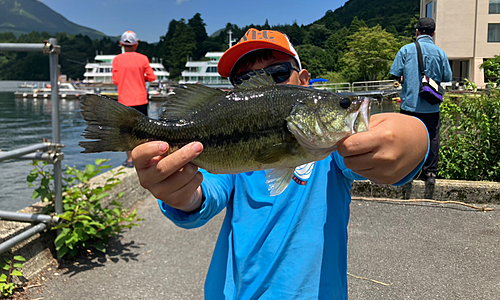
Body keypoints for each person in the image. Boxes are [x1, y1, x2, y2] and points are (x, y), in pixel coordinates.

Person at [132, 28, 429, 299]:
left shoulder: (332, 152)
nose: (265, 86)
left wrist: (413, 139)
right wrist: (180, 194)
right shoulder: (233, 164)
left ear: (304, 82)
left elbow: (399, 143)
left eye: (278, 72)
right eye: (244, 80)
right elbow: (205, 194)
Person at [390, 18, 452, 185]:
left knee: (407, 138)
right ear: (433, 33)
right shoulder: (440, 52)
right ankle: (430, 173)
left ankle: (408, 171)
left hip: (409, 104)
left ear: (417, 31)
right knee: (432, 137)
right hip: (431, 104)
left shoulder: (405, 50)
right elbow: (447, 77)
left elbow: (395, 72)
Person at [112, 30, 156, 168]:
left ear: (121, 44)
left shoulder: (117, 60)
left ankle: (130, 160)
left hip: (124, 100)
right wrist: (141, 77)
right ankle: (144, 158)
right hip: (141, 99)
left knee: (127, 132)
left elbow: (115, 80)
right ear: (136, 44)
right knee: (142, 131)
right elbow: (152, 77)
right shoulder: (143, 58)